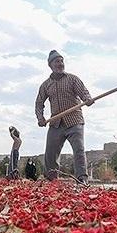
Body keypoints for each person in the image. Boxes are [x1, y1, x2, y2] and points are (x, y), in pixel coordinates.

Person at [35, 50, 94, 183]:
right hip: (56, 123)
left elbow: (83, 92)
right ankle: (51, 179)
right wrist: (40, 118)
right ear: (50, 65)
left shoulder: (73, 79)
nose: (60, 64)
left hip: (75, 121)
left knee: (79, 149)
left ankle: (82, 179)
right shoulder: (45, 85)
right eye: (57, 61)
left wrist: (87, 99)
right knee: (50, 153)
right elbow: (39, 103)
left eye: (62, 61)